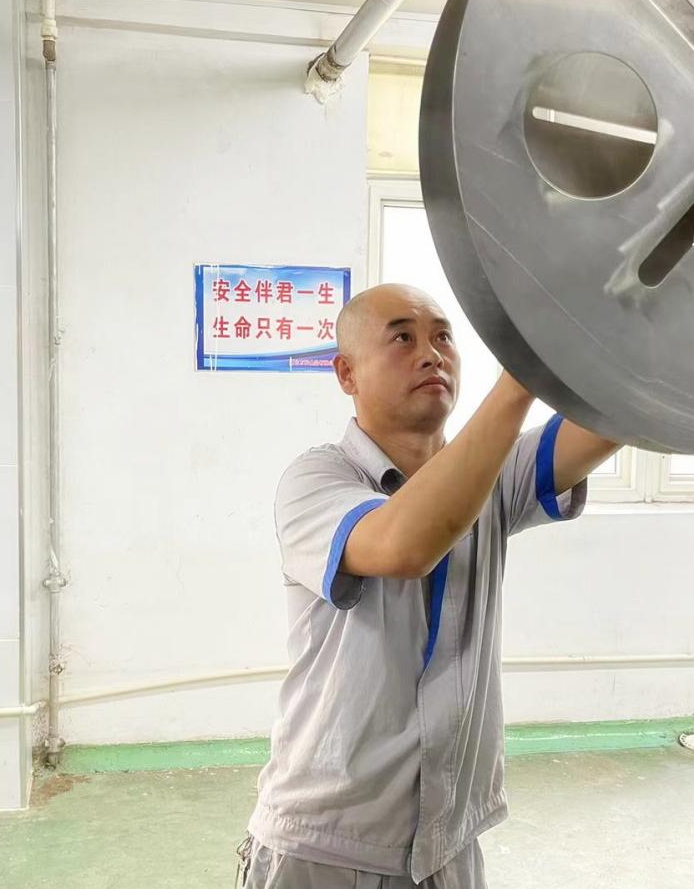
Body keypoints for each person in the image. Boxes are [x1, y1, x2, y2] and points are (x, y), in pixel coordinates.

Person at [239, 284, 621, 888]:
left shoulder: (494, 473)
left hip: (448, 846)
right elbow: (405, 545)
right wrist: (520, 380)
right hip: (325, 846)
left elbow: (617, 414)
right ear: (346, 373)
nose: (431, 354)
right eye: (402, 337)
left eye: (443, 336)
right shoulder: (316, 479)